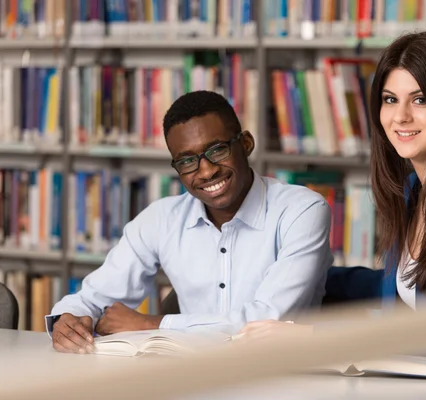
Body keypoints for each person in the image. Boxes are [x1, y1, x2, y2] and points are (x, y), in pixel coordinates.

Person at [237, 31, 426, 347]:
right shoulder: (413, 190)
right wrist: (298, 273)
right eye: (390, 100)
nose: (400, 116)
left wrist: (315, 335)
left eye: (420, 99)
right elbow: (400, 289)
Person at [47, 90, 334, 354]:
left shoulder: (302, 210)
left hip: (281, 376)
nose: (206, 171)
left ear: (246, 144)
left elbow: (268, 320)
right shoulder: (161, 219)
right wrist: (68, 319)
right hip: (191, 377)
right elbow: (94, 297)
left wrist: (153, 324)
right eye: (187, 161)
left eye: (217, 150)